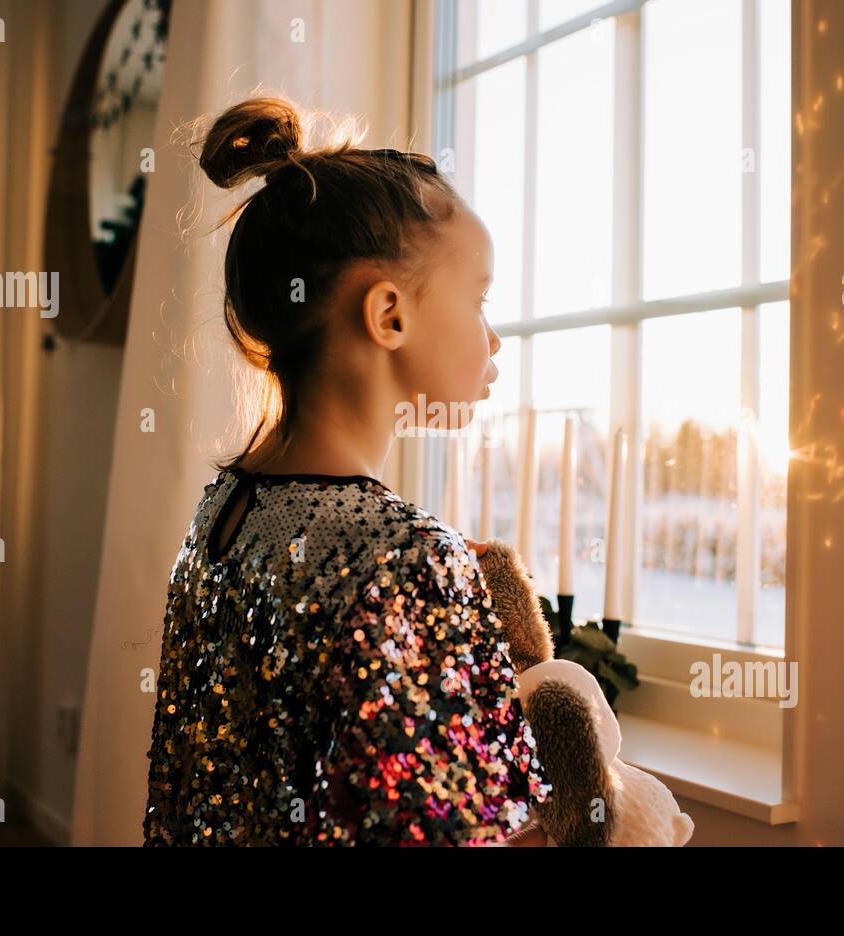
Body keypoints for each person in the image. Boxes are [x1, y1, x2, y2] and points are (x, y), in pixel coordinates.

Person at [142, 96, 553, 845]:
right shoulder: (408, 560)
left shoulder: (223, 514)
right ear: (388, 314)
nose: (495, 339)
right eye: (480, 298)